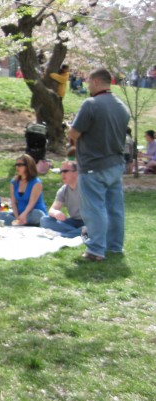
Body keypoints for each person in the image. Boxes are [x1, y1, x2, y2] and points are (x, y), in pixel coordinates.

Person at [68, 68, 130, 261]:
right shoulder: (122, 106)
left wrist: (70, 132)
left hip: (93, 165)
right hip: (115, 164)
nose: (87, 85)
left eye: (88, 81)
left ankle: (95, 250)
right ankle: (115, 247)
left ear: (95, 81)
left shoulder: (91, 104)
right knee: (115, 209)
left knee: (94, 208)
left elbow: (74, 134)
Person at [0, 153, 48, 226]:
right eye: (16, 165)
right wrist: (17, 217)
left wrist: (24, 215)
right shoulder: (14, 182)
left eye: (20, 165)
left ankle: (20, 223)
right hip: (19, 214)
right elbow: (13, 202)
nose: (17, 167)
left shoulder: (36, 183)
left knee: (38, 215)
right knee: (1, 215)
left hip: (31, 213)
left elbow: (31, 203)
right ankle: (22, 224)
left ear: (28, 166)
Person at [39, 160, 84, 238]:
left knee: (93, 228)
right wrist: (56, 213)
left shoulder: (85, 187)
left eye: (65, 171)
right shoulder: (63, 190)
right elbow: (52, 209)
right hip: (73, 221)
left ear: (76, 172)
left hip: (89, 222)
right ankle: (76, 234)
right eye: (61, 172)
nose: (62, 174)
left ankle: (68, 234)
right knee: (45, 220)